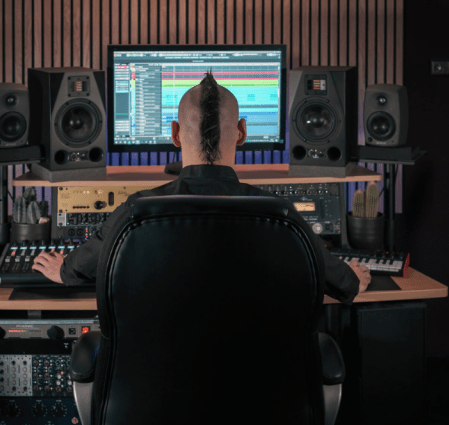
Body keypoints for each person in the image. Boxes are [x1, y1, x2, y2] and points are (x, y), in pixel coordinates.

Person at [32, 73, 371, 303]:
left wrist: (61, 270)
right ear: (241, 132)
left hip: (158, 392)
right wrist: (355, 275)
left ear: (175, 133)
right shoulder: (280, 215)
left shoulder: (136, 211)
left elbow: (76, 269)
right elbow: (345, 286)